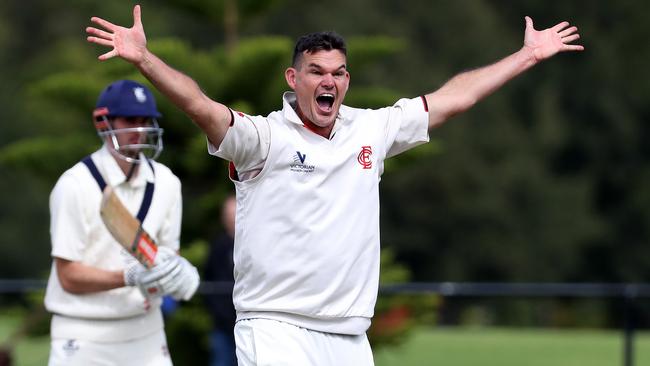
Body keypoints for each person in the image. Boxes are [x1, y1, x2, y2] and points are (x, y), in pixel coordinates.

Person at [86, 6, 583, 365]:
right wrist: (145, 61)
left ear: (347, 80)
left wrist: (527, 56)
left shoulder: (370, 129)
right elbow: (202, 107)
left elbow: (453, 98)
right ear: (294, 78)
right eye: (317, 72)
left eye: (339, 73)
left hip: (348, 336)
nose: (330, 81)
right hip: (276, 328)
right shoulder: (263, 139)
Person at [43, 79, 200, 366]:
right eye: (130, 119)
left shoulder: (166, 182)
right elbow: (68, 276)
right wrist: (127, 277)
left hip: (146, 332)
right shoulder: (75, 184)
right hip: (84, 334)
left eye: (145, 120)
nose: (139, 129)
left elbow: (166, 255)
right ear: (103, 122)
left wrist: (177, 275)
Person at [204, 195, 237, 366]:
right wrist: (219, 312)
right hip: (222, 326)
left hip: (249, 321)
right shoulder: (218, 247)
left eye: (235, 213)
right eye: (228, 214)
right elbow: (209, 281)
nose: (232, 218)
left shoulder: (253, 244)